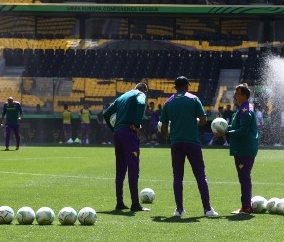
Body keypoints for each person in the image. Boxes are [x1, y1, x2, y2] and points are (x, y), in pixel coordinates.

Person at [159, 76, 219, 218]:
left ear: (175, 87)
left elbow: (163, 127)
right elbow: (204, 120)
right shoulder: (193, 99)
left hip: (176, 143)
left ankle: (179, 210)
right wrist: (196, 121)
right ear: (187, 86)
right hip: (192, 142)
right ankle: (207, 209)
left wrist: (167, 135)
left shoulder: (168, 102)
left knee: (177, 177)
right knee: (200, 176)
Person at [103, 82, 150, 212]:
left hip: (118, 133)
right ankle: (135, 204)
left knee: (120, 169)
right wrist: (137, 124)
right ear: (145, 91)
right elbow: (140, 104)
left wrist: (114, 128)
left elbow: (106, 114)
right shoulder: (140, 95)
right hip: (129, 133)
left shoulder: (122, 97)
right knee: (133, 167)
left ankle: (120, 202)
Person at [216, 83, 259, 214]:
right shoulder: (242, 109)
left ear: (244, 96)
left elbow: (244, 131)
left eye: (237, 93)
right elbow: (236, 127)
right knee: (244, 177)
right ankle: (246, 205)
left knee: (244, 177)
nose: (234, 96)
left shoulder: (246, 111)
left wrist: (226, 133)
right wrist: (223, 128)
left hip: (244, 149)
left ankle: (246, 207)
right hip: (242, 148)